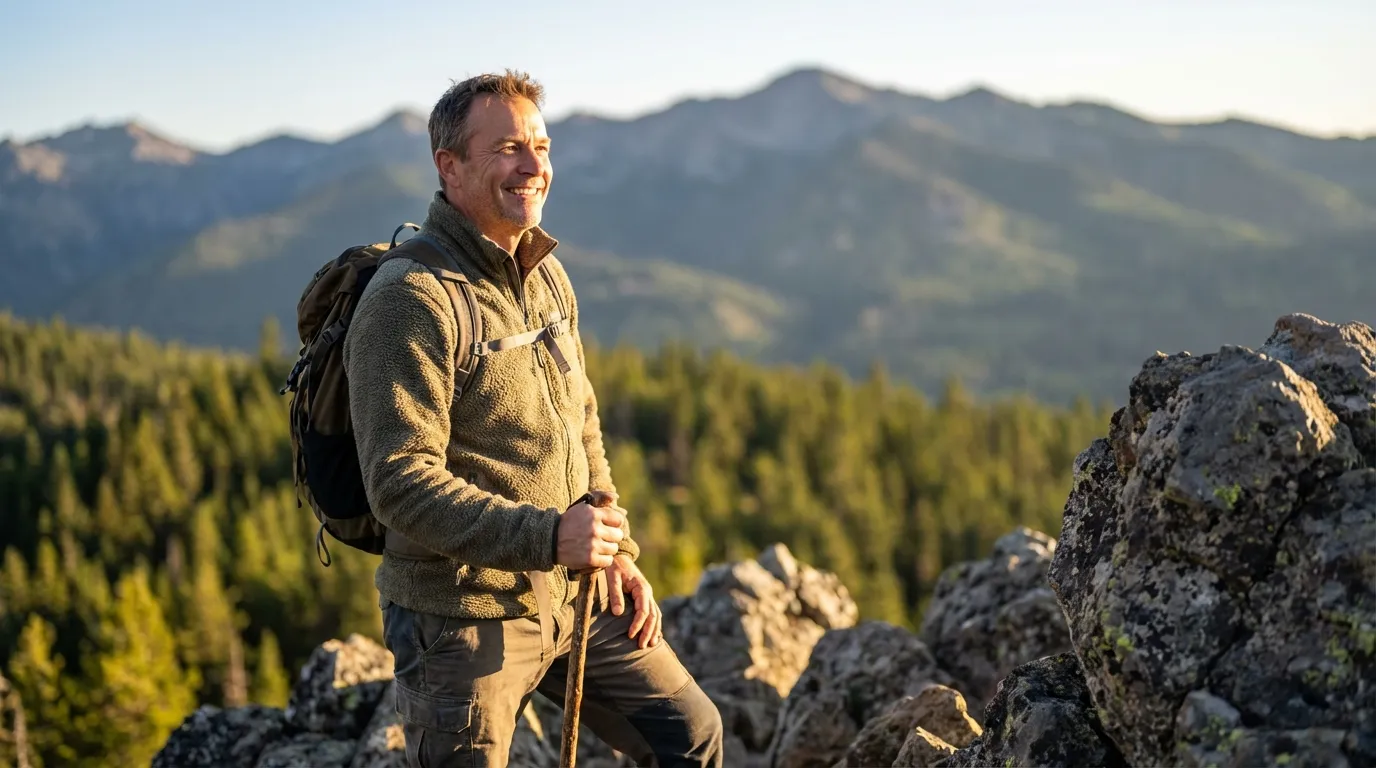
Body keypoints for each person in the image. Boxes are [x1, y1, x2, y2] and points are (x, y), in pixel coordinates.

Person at [341, 70, 724, 767]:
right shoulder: (411, 300)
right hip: (461, 615)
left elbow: (580, 420)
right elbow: (398, 484)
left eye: (541, 146)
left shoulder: (544, 271)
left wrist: (614, 548)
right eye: (509, 148)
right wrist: (550, 537)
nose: (534, 165)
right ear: (448, 167)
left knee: (691, 735)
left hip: (575, 591)